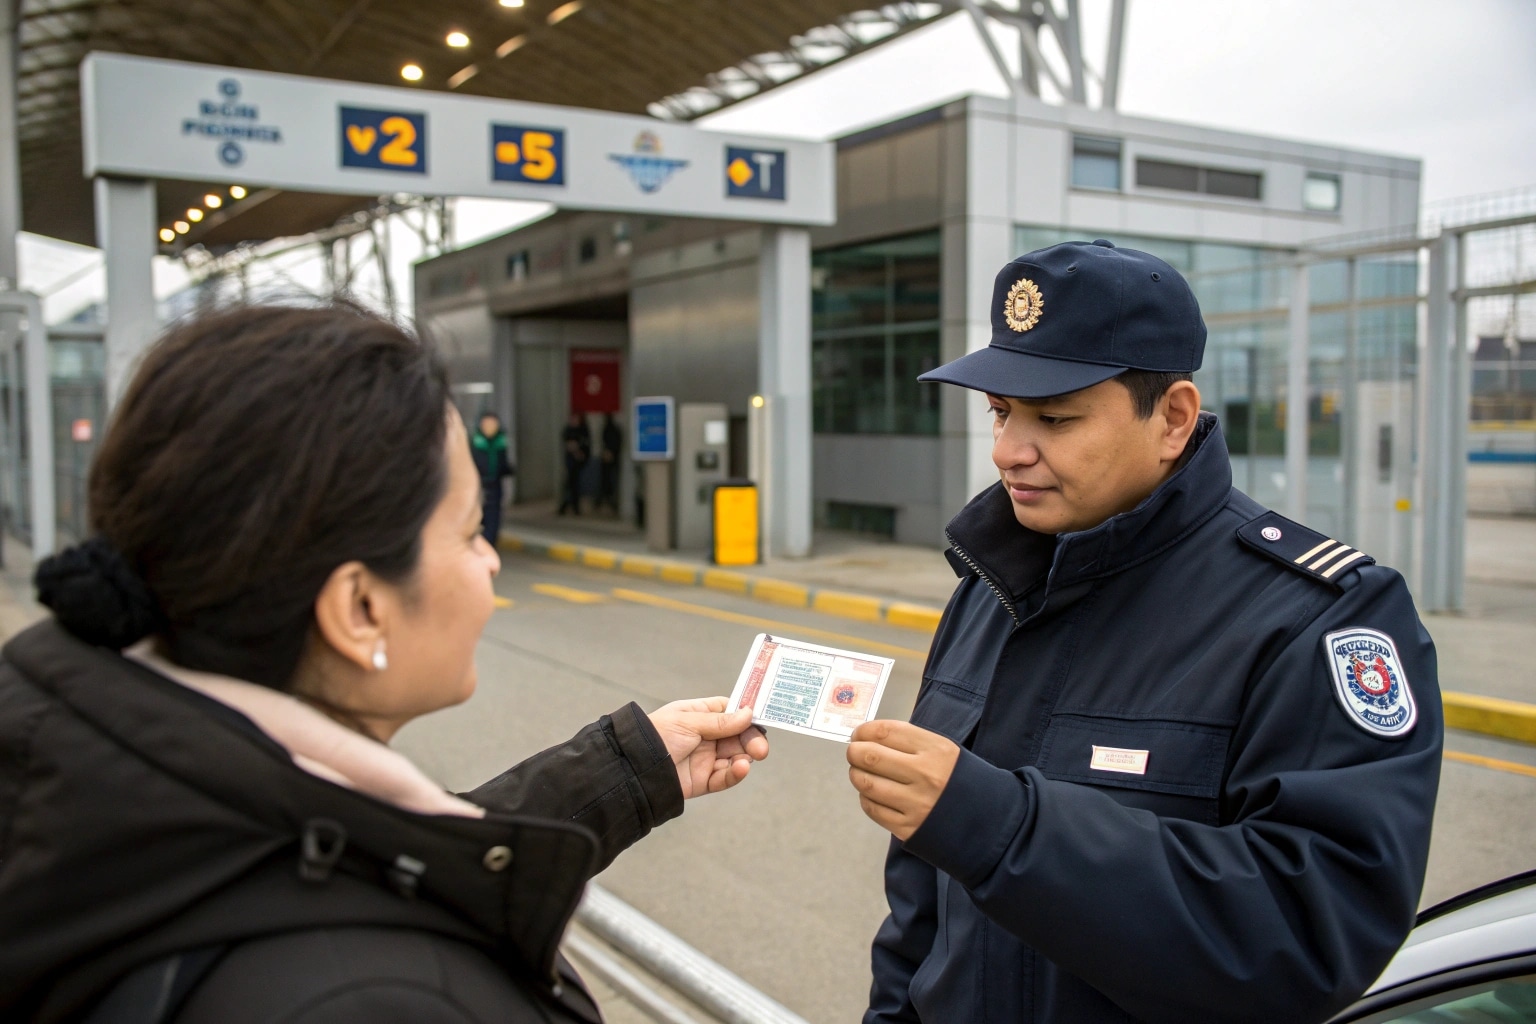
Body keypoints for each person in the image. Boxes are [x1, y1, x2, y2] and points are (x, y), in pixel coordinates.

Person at [0, 304, 768, 1023]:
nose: (493, 560)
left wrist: (629, 769)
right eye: (470, 534)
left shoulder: (94, 777)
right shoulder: (378, 1001)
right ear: (359, 609)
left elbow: (347, 859)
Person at [844, 240, 1442, 1024]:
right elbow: (921, 911)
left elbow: (1308, 934)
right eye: (1000, 412)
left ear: (1173, 419)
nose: (1008, 451)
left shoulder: (1319, 618)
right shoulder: (990, 590)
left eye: (1054, 418)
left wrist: (1002, 828)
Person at [471, 411, 514, 546]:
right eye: (487, 423)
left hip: (495, 484)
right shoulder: (475, 441)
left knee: (493, 517)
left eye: (493, 424)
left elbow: (502, 462)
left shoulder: (500, 441)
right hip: (479, 486)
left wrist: (507, 469)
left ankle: (488, 544)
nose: (490, 427)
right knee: (478, 516)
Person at [559, 412, 591, 516]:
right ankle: (566, 506)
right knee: (570, 484)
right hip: (570, 462)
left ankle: (571, 506)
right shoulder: (568, 430)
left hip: (579, 462)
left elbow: (586, 444)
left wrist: (580, 452)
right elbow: (567, 444)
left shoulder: (583, 430)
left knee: (575, 485)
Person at [598, 413, 623, 512]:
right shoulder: (609, 429)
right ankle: (605, 499)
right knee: (606, 480)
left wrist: (610, 452)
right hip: (609, 458)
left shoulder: (613, 430)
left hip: (613, 458)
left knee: (611, 480)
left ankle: (610, 500)